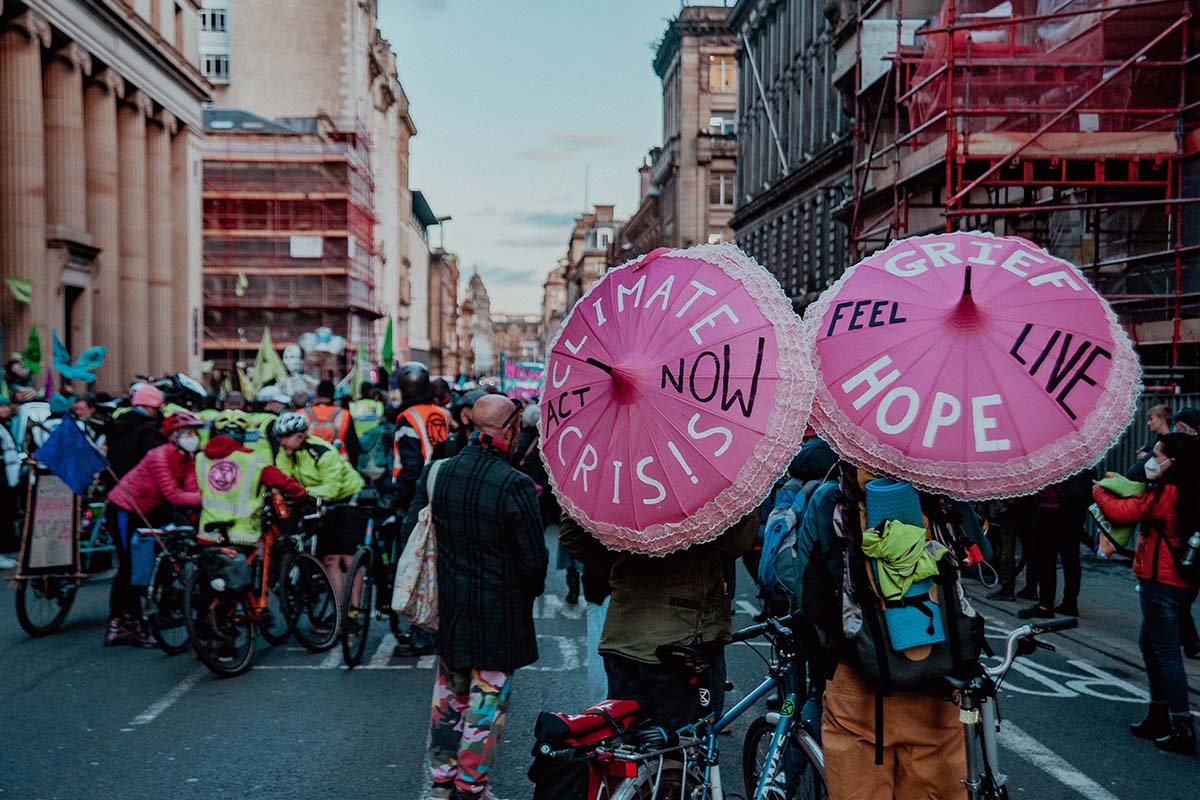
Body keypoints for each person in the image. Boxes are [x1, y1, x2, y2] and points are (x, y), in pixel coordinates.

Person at [400, 394, 547, 800]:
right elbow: (534, 563)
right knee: (487, 705)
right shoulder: (515, 485)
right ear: (512, 430)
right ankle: (471, 785)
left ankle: (442, 781)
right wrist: (524, 594)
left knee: (448, 697)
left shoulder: (439, 472)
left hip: (451, 607)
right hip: (499, 614)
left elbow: (410, 529)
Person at [1093, 433, 1198, 754]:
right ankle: (1158, 714)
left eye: (1157, 455)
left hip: (1161, 582)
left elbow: (1122, 512)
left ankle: (1180, 723)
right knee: (1150, 644)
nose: (1151, 461)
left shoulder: (1168, 494)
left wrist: (1098, 490)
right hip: (1181, 582)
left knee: (1165, 652)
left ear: (1173, 463)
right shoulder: (1190, 491)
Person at [104, 412, 205, 647]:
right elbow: (174, 494)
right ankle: (120, 623)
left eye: (195, 433)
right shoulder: (159, 456)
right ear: (175, 436)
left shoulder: (187, 458)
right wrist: (207, 498)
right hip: (123, 509)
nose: (194, 438)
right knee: (129, 565)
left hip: (149, 511)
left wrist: (203, 500)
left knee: (162, 558)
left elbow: (191, 488)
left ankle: (160, 609)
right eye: (189, 433)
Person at [270, 411, 365, 602]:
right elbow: (283, 480)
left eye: (287, 437)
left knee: (347, 559)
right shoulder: (286, 452)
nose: (282, 442)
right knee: (330, 559)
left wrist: (302, 491)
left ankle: (353, 610)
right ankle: (338, 613)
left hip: (347, 498)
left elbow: (332, 488)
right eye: (279, 437)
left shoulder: (322, 452)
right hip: (314, 497)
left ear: (302, 435)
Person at [196, 410, 307, 546]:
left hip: (208, 532)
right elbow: (283, 482)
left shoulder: (201, 458)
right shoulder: (252, 460)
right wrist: (303, 495)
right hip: (242, 534)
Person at [1018, 470, 1094, 619]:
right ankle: (1070, 603)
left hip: (1050, 512)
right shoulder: (1080, 460)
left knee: (1046, 560)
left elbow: (1041, 491)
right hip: (1072, 514)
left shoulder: (1051, 459)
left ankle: (1046, 604)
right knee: (1071, 559)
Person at [392, 362, 451, 508]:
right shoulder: (441, 413)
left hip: (417, 493)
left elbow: (411, 466)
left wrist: (394, 497)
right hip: (442, 484)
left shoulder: (408, 417)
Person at [105, 384, 166, 478]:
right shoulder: (150, 428)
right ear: (147, 406)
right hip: (141, 480)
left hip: (118, 480)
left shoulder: (120, 421)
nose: (159, 412)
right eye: (157, 408)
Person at [302, 379, 360, 464]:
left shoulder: (302, 413)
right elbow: (353, 446)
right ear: (333, 395)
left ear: (317, 394)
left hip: (309, 465)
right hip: (338, 464)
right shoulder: (344, 414)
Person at [0, 398, 20, 568]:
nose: (7, 409)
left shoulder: (5, 425)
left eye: (7, 405)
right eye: (2, 406)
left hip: (7, 476)